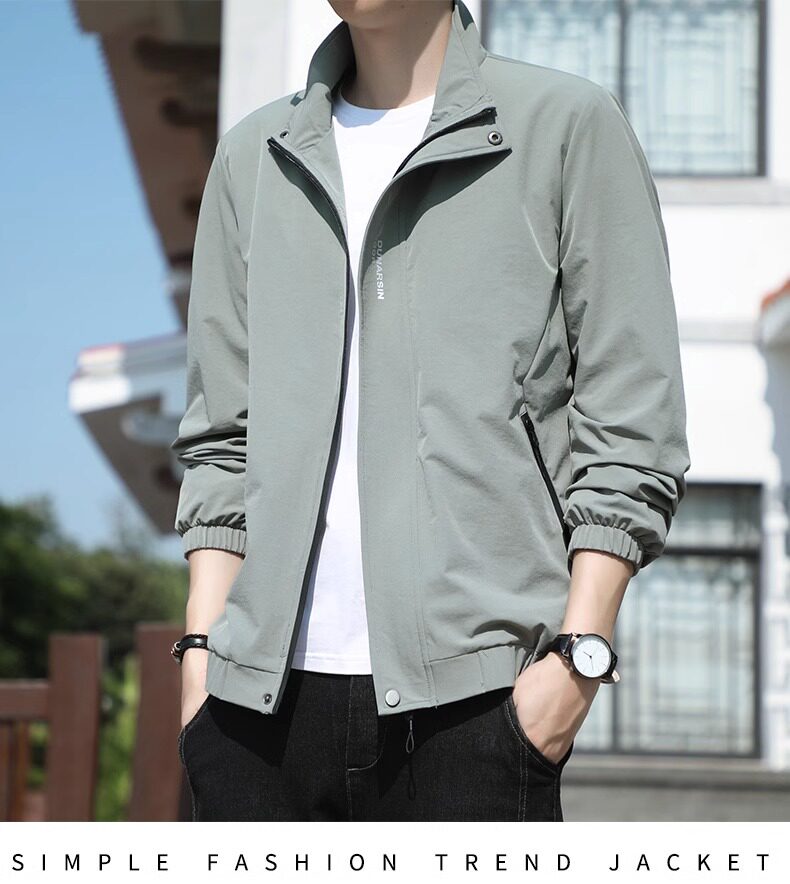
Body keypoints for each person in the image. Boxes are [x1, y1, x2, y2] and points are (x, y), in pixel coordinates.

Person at [170, 0, 690, 822]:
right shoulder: (254, 156)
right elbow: (221, 437)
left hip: (481, 709)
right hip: (250, 718)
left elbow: (632, 416)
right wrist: (202, 657)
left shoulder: (563, 126)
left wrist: (577, 658)